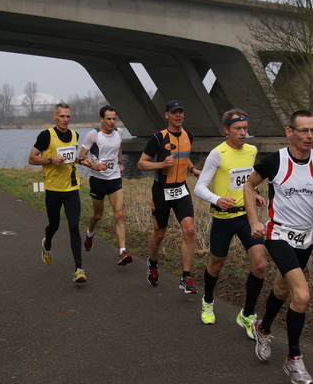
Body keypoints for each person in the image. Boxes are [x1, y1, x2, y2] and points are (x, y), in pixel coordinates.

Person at [244, 110, 313, 384]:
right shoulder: (274, 161)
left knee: (281, 289)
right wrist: (254, 221)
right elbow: (249, 186)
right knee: (301, 296)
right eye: (303, 131)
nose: (309, 136)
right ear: (290, 132)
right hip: (278, 235)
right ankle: (293, 357)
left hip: (307, 238)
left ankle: (262, 328)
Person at [193, 108, 267, 336]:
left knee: (260, 265)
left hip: (247, 217)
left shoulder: (252, 150)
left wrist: (254, 193)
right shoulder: (218, 154)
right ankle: (207, 300)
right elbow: (199, 187)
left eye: (245, 128)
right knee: (216, 264)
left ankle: (247, 315)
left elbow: (247, 181)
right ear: (227, 130)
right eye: (238, 129)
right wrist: (217, 199)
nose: (243, 133)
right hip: (223, 218)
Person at [137, 100, 201, 293]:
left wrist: (192, 168)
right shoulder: (157, 138)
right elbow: (141, 164)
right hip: (161, 191)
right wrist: (161, 165)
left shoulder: (188, 135)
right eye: (174, 113)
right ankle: (153, 264)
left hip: (181, 189)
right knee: (159, 234)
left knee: (189, 230)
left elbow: (184, 154)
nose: (178, 115)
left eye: (181, 112)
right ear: (167, 115)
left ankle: (186, 277)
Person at [28, 102, 86, 283]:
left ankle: (79, 269)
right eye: (62, 116)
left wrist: (84, 161)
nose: (66, 120)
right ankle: (47, 243)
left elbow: (72, 157)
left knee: (74, 226)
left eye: (68, 116)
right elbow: (31, 159)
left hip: (71, 189)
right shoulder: (46, 135)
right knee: (54, 225)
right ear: (55, 117)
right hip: (53, 189)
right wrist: (50, 159)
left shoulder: (75, 135)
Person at [78, 105, 132, 266]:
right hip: (98, 180)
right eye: (108, 119)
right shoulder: (93, 135)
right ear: (101, 119)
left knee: (119, 215)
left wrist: (120, 162)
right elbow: (82, 156)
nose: (111, 122)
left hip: (114, 178)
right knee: (98, 215)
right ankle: (90, 233)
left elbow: (119, 146)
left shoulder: (119, 133)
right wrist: (93, 166)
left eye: (114, 119)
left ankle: (122, 252)